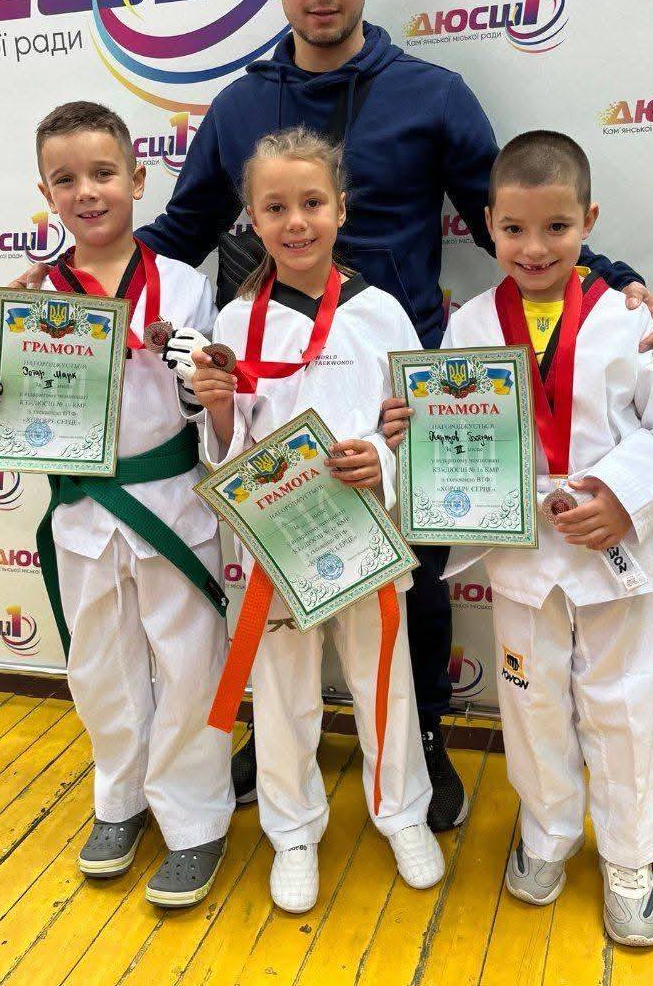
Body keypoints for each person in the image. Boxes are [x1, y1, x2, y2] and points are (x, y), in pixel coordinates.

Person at [11, 0, 653, 833]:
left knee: (409, 580)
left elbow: (512, 217)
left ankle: (420, 739)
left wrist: (619, 279)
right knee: (279, 582)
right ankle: (277, 747)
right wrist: (64, 282)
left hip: (400, 392)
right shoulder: (239, 108)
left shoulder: (433, 96)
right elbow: (177, 231)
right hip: (276, 394)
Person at [383, 130, 653, 947]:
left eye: (557, 227)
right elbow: (452, 431)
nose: (534, 248)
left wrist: (620, 499)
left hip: (611, 551)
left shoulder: (626, 319)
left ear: (588, 222)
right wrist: (406, 430)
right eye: (514, 229)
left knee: (623, 703)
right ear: (487, 224)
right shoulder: (467, 324)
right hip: (521, 551)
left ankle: (629, 856)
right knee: (529, 703)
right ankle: (546, 833)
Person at [0, 101, 234, 907]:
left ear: (137, 179)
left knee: (189, 667)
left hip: (172, 509)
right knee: (99, 666)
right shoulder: (30, 294)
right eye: (66, 179)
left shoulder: (185, 285)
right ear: (46, 193)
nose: (87, 191)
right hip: (82, 515)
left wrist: (196, 384)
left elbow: (216, 412)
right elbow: (5, 416)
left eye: (103, 173)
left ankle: (196, 816)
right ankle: (121, 798)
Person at [188, 128, 444, 914]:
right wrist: (219, 410)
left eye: (310, 203)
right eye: (274, 207)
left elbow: (412, 422)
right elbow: (224, 449)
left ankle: (401, 812)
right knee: (281, 693)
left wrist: (381, 461)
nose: (294, 221)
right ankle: (292, 830)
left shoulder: (380, 311)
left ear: (341, 207)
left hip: (366, 535)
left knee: (383, 682)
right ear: (251, 218)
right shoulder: (235, 321)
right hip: (277, 546)